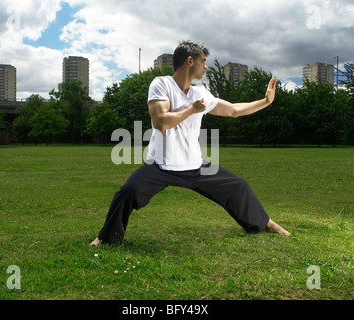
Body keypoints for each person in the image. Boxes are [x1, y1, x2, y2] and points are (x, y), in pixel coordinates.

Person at [90, 41, 290, 247]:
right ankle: (106, 238)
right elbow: (161, 123)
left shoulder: (200, 93)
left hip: (195, 166)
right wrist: (191, 110)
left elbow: (233, 110)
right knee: (128, 192)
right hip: (161, 165)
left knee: (238, 186)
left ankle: (265, 223)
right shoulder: (161, 84)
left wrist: (265, 102)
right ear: (189, 60)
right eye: (203, 61)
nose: (205, 66)